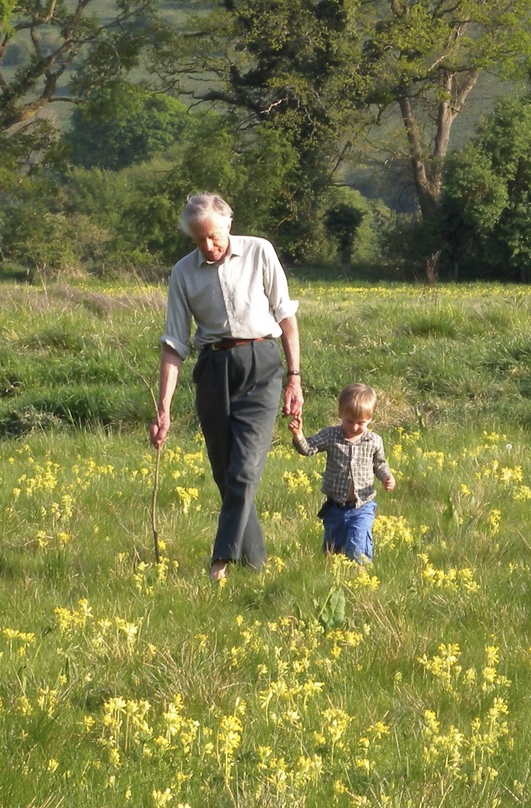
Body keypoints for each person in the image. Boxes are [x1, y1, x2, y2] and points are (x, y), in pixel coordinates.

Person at [151, 193, 303, 582]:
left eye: (214, 236)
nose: (208, 245)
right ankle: (257, 567)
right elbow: (174, 343)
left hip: (261, 364)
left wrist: (294, 377)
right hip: (213, 370)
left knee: (245, 469)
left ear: (228, 225)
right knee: (225, 472)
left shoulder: (260, 252)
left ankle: (221, 560)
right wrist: (164, 409)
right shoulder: (182, 273)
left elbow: (285, 315)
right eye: (199, 239)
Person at [288, 382, 396, 564]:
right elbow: (308, 449)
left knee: (357, 543)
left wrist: (387, 476)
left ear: (370, 419)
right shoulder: (331, 436)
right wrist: (298, 435)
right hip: (335, 506)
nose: (354, 427)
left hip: (362, 506)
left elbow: (380, 464)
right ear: (340, 414)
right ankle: (334, 578)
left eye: (361, 423)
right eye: (349, 421)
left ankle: (360, 574)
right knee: (333, 550)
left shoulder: (374, 441)